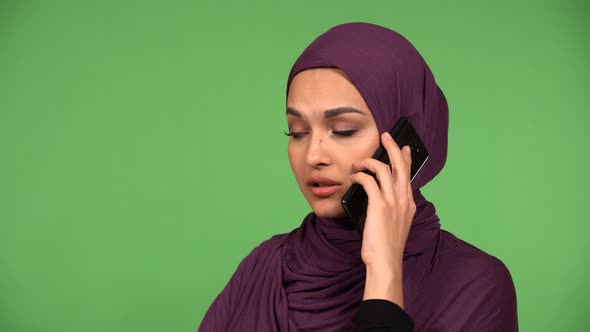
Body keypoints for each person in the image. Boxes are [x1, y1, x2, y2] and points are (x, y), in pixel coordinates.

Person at [199, 22, 518, 331]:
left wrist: (384, 276)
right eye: (297, 132)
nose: (313, 156)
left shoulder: (476, 287)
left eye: (343, 130)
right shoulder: (263, 267)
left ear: (407, 140)